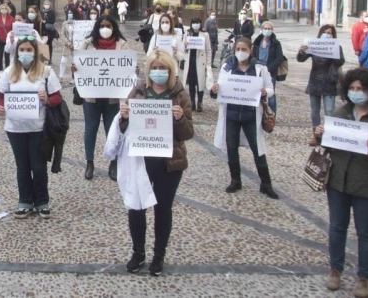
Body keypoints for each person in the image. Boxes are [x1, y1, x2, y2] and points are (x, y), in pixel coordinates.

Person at [107, 49, 193, 277]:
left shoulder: (180, 94)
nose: (158, 72)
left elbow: (188, 133)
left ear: (170, 70)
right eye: (154, 68)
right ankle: (138, 252)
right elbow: (124, 128)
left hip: (169, 161)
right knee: (136, 206)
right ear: (148, 71)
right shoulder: (138, 91)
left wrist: (180, 118)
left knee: (163, 208)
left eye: (162, 68)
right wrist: (124, 117)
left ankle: (158, 255)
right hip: (141, 159)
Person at [313, 68, 368, 297]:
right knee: (337, 227)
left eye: (361, 89)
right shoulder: (340, 112)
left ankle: (364, 277)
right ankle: (335, 270)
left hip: (365, 184)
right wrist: (319, 134)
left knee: (366, 233)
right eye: (352, 89)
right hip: (338, 181)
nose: (356, 92)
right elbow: (326, 143)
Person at [0, 36, 62, 218]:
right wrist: (0, 108)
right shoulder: (10, 72)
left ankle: (42, 201)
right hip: (15, 128)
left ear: (35, 51)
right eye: (22, 50)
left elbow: (57, 97)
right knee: (22, 166)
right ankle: (25, 200)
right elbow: (1, 96)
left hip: (38, 127)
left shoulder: (46, 71)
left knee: (38, 165)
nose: (25, 53)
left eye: (29, 50)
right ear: (17, 52)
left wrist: (47, 100)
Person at [211, 37, 278, 199]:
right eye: (238, 49)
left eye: (244, 49)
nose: (241, 52)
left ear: (250, 50)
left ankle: (266, 183)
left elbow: (270, 88)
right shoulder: (227, 67)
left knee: (257, 149)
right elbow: (218, 90)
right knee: (231, 147)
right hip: (232, 115)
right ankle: (235, 180)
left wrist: (265, 92)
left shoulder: (260, 68)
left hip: (250, 116)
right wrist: (215, 89)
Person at [73, 15, 135, 180]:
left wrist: (133, 71)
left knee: (112, 130)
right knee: (90, 129)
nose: (105, 28)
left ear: (114, 27)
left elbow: (129, 65)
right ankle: (89, 162)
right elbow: (78, 64)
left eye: (108, 25)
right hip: (91, 97)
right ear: (97, 27)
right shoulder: (87, 44)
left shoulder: (122, 44)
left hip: (113, 98)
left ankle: (113, 163)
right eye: (102, 25)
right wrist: (75, 68)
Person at [299, 25, 345, 146]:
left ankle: (329, 135)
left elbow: (340, 62)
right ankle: (316, 135)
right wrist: (302, 50)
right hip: (315, 81)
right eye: (325, 32)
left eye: (329, 33)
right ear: (320, 34)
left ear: (333, 35)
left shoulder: (337, 47)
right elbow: (301, 59)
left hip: (329, 82)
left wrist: (333, 51)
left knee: (329, 110)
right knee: (315, 110)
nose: (327, 35)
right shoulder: (314, 45)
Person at [252, 22, 284, 114]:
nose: (267, 30)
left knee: (271, 93)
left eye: (269, 29)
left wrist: (269, 68)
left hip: (270, 70)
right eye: (265, 28)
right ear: (261, 30)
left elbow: (279, 58)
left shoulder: (276, 43)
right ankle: (259, 112)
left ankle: (272, 114)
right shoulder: (257, 42)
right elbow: (253, 55)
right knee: (258, 91)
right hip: (258, 69)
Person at [182, 17, 212, 113]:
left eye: (197, 22)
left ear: (200, 24)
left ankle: (200, 102)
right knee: (191, 83)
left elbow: (208, 50)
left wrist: (208, 64)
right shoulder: (188, 33)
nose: (196, 24)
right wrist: (185, 45)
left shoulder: (205, 34)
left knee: (200, 83)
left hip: (200, 61)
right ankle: (192, 102)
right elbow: (183, 47)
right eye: (194, 22)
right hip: (190, 60)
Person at [0, 4, 15, 73]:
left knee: (7, 56)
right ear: (0, 10)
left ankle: (7, 69)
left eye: (5, 8)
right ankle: (0, 69)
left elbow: (13, 29)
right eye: (2, 8)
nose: (3, 10)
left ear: (8, 10)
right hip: (0, 39)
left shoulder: (11, 18)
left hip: (8, 40)